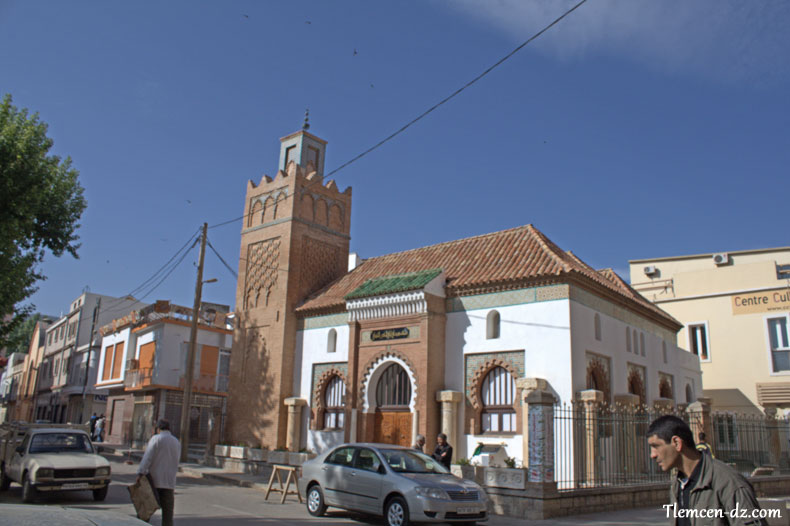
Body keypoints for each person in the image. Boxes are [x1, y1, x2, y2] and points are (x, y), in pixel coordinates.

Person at [646, 415, 766, 526]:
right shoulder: (677, 485)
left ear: (677, 443)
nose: (652, 455)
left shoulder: (729, 484)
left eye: (656, 446)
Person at [137, 419, 180, 526]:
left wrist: (140, 473)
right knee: (167, 516)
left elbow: (148, 458)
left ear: (158, 429)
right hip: (169, 483)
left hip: (153, 482)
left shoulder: (156, 439)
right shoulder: (176, 442)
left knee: (144, 513)